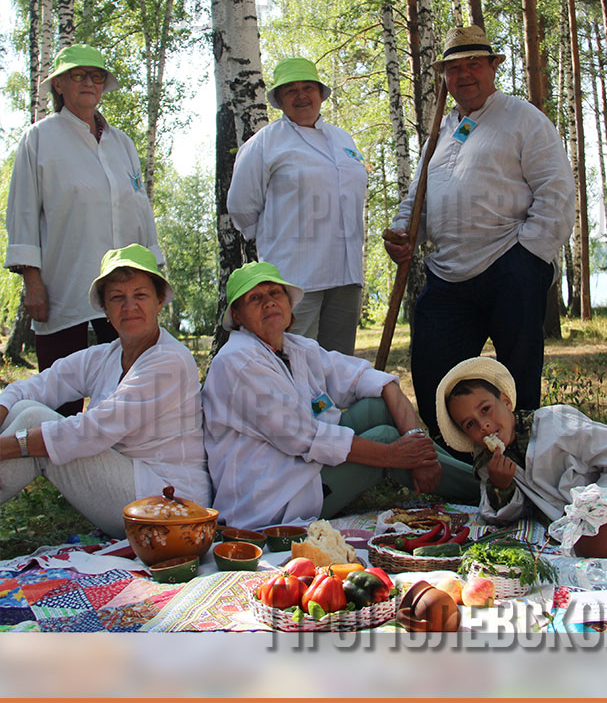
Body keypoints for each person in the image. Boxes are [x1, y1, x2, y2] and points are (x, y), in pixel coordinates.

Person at [385, 26, 575, 443]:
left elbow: (556, 189)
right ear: (445, 78)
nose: (464, 75)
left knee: (517, 374)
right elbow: (417, 196)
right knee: (435, 370)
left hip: (509, 262)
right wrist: (403, 232)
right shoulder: (441, 131)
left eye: (474, 64)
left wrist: (529, 256)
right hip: (447, 274)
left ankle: (524, 458)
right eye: (454, 68)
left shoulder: (522, 118)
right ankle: (454, 463)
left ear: (493, 67)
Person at [202, 261, 479, 529]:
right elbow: (304, 437)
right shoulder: (237, 362)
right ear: (237, 316)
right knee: (384, 439)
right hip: (273, 498)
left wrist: (416, 445)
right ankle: (487, 488)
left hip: (303, 467)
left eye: (275, 293)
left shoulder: (296, 348)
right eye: (255, 298)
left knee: (377, 405)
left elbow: (374, 381)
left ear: (288, 303)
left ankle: (480, 476)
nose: (269, 302)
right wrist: (395, 456)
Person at [0, 245, 211, 539]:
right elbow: (40, 385)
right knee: (24, 409)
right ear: (106, 310)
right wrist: (5, 405)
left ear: (159, 302)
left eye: (140, 295)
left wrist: (11, 446)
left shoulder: (169, 360)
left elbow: (94, 430)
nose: (129, 306)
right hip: (135, 491)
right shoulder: (106, 356)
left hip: (175, 510)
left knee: (34, 421)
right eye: (117, 298)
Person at [5, 44, 164, 416]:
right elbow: (23, 213)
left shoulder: (121, 143)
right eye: (78, 75)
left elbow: (140, 209)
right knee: (63, 384)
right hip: (66, 280)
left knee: (131, 378)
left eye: (96, 76)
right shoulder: (39, 139)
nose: (89, 83)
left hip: (124, 285)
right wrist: (33, 280)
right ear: (59, 84)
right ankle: (58, 462)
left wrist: (154, 275)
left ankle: (121, 456)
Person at [435, 357, 607, 563]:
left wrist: (601, 504)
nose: (484, 425)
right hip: (578, 530)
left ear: (506, 402)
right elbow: (506, 515)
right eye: (470, 424)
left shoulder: (558, 424)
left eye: (485, 409)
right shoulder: (487, 462)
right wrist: (501, 487)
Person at [227, 57, 367, 355]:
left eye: (308, 87)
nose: (302, 96)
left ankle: (336, 405)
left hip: (347, 271)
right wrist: (278, 235)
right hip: (295, 276)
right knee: (296, 358)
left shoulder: (344, 140)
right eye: (290, 90)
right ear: (278, 99)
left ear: (320, 93)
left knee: (339, 362)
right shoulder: (265, 144)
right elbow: (241, 206)